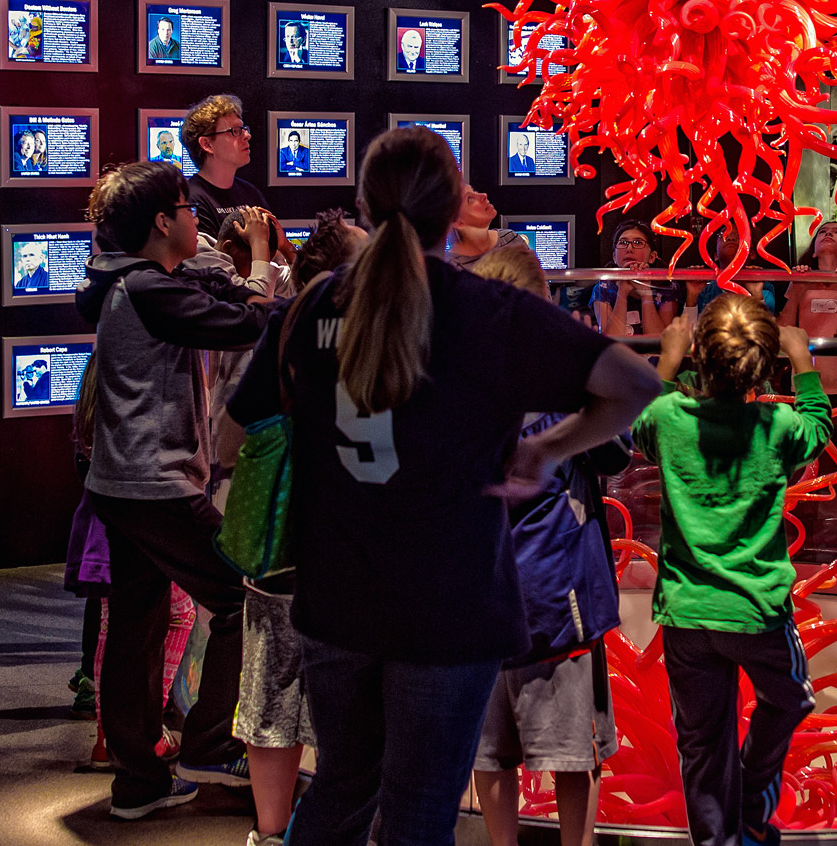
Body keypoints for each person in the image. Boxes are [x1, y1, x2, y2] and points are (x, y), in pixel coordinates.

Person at [231, 126, 659, 846]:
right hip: (451, 603)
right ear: (452, 208)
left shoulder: (310, 306)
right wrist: (546, 449)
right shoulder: (486, 309)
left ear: (364, 203)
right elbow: (635, 384)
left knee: (342, 787)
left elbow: (242, 423)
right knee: (422, 810)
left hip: (337, 596)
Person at [76, 161, 271, 820]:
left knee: (137, 623)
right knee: (244, 595)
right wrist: (264, 262)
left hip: (124, 483)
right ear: (162, 222)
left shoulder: (130, 282)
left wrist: (224, 262)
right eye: (188, 208)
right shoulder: (149, 289)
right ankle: (211, 744)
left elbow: (209, 285)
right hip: (153, 486)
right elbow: (247, 323)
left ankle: (138, 782)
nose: (198, 219)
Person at [636, 298, 830, 846]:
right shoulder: (779, 424)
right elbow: (819, 428)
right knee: (791, 697)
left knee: (700, 744)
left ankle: (717, 838)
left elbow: (640, 422)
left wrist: (668, 361)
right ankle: (748, 805)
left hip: (686, 614)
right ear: (766, 366)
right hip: (757, 612)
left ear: (699, 356)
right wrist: (803, 362)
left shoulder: (668, 418)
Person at [468, 246, 630, 846]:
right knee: (571, 755)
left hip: (477, 598)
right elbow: (616, 452)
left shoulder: (456, 383)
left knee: (490, 752)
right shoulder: (564, 378)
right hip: (558, 603)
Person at [224, 211, 364, 846]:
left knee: (274, 690)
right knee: (347, 703)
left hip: (283, 538)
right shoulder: (373, 327)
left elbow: (244, 412)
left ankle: (271, 834)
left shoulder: (288, 322)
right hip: (345, 542)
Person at [778, 220, 837, 387]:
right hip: (806, 377)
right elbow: (783, 330)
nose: (828, 233)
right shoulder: (800, 280)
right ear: (813, 252)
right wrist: (798, 289)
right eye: (822, 231)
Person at [182, 94, 269, 237]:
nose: (247, 136)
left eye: (244, 129)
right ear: (207, 144)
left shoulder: (251, 193)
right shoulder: (191, 199)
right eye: (235, 131)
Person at [592, 220, 673, 338]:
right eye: (623, 242)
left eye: (638, 243)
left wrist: (646, 293)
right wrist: (622, 291)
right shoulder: (603, 288)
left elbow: (660, 342)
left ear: (652, 257)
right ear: (614, 257)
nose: (629, 248)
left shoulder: (667, 287)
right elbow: (610, 341)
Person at [447, 184, 524, 267]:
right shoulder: (450, 267)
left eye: (474, 191)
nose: (484, 195)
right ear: (458, 222)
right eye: (470, 199)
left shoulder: (510, 238)